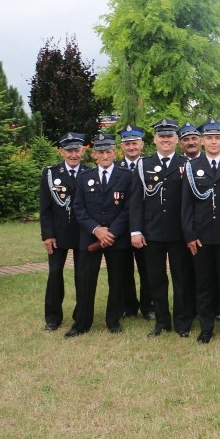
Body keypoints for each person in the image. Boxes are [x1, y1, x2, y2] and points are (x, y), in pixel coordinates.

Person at [128, 118, 196, 338]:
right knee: (156, 279)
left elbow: (190, 203)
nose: (166, 140)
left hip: (178, 233)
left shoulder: (186, 164)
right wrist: (136, 231)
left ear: (176, 139)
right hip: (152, 233)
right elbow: (136, 200)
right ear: (155, 139)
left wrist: (190, 232)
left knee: (181, 279)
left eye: (169, 136)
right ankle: (161, 322)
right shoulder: (143, 164)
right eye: (161, 136)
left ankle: (182, 322)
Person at [180, 118, 220, 345]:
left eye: (217, 138)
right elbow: (186, 205)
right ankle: (206, 328)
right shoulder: (192, 167)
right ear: (203, 141)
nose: (213, 142)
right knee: (204, 284)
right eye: (209, 138)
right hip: (202, 238)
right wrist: (190, 235)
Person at [67, 133, 133, 337]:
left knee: (117, 280)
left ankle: (113, 321)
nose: (105, 155)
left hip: (116, 238)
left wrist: (110, 232)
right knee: (85, 281)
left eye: (108, 152)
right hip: (90, 238)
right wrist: (97, 230)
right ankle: (81, 323)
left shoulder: (127, 176)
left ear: (115, 153)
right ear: (94, 155)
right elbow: (78, 208)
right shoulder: (84, 178)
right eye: (100, 152)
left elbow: (128, 208)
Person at [39, 132, 89, 331]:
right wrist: (47, 235)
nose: (73, 155)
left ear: (83, 151)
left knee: (82, 275)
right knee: (55, 274)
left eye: (77, 150)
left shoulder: (89, 172)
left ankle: (81, 314)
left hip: (83, 233)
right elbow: (45, 207)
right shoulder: (50, 173)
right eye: (69, 151)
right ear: (62, 152)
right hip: (58, 234)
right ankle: (53, 317)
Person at [116, 124, 154, 320]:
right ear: (122, 147)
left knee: (147, 269)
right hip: (122, 229)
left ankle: (148, 306)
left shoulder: (149, 166)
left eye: (134, 143)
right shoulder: (116, 168)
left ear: (142, 144)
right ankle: (128, 306)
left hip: (144, 227)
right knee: (124, 269)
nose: (131, 147)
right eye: (127, 144)